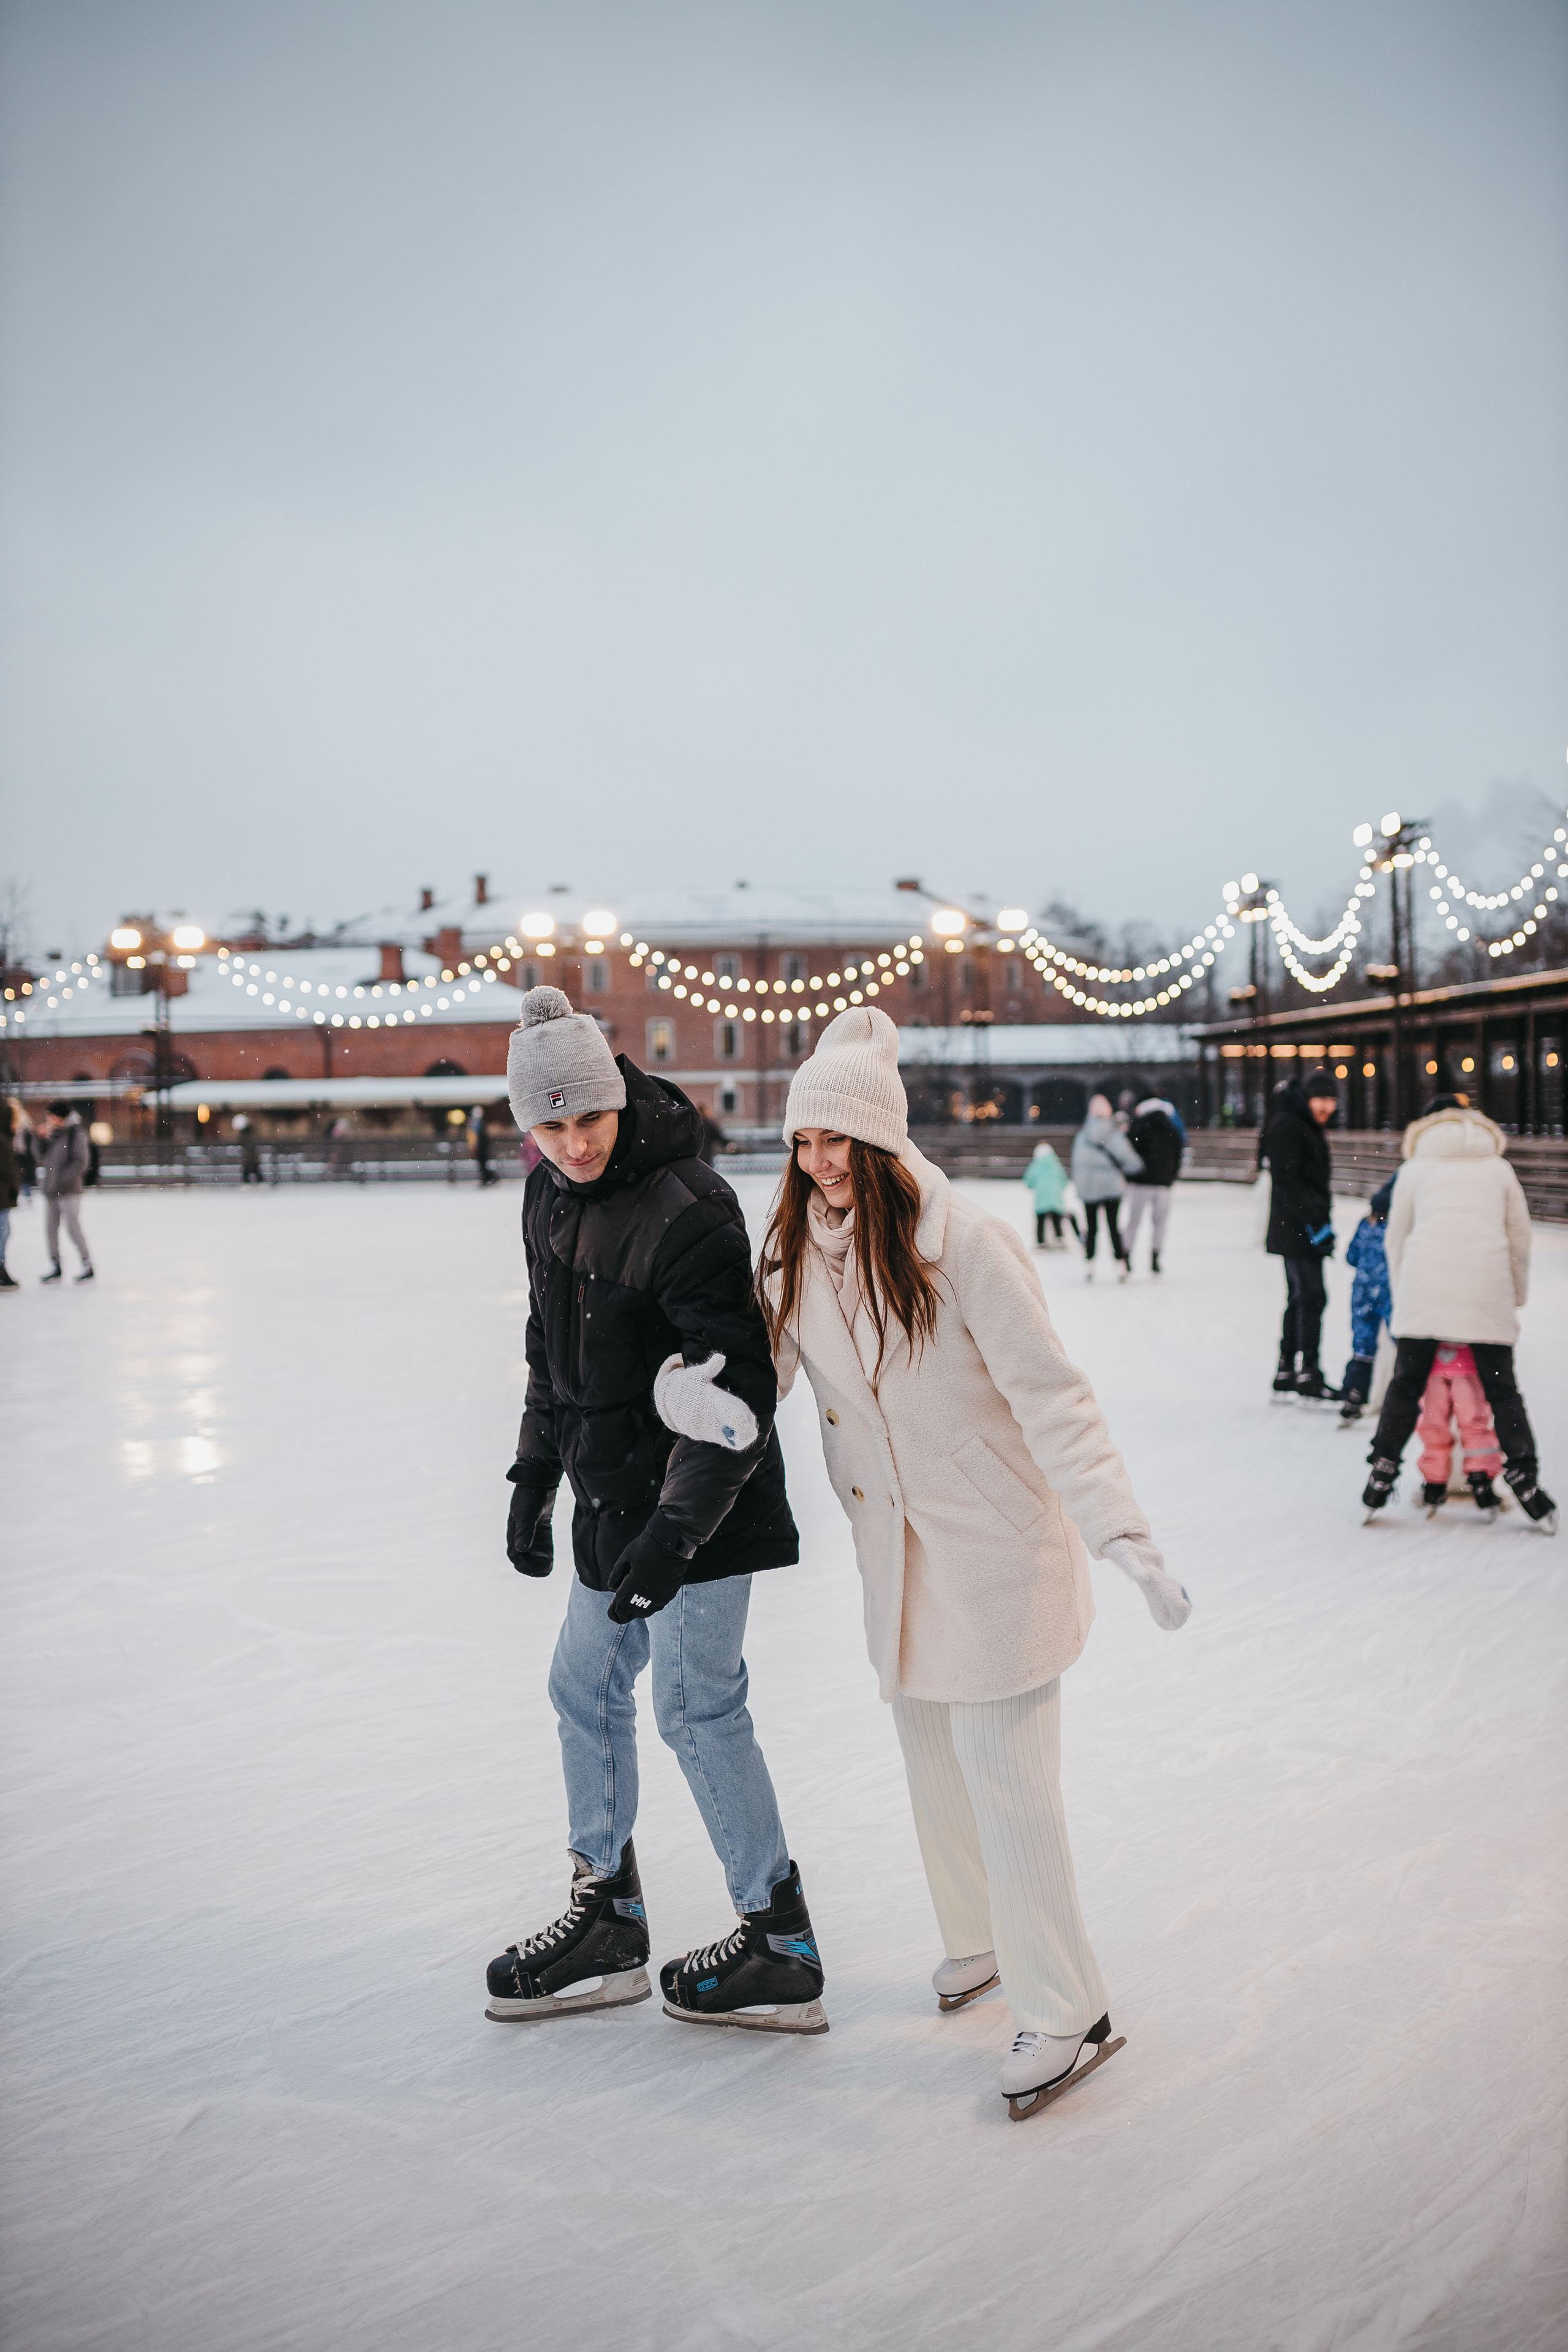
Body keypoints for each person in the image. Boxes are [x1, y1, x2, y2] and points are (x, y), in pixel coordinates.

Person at [761, 1009, 1191, 2117]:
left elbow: (1054, 1399)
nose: (819, 1164)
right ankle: (981, 1942)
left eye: (839, 1143)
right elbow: (759, 1380)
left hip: (997, 1556)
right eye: (804, 1143)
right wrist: (698, 1403)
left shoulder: (970, 1246)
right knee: (933, 1761)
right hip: (895, 1558)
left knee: (1008, 1781)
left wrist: (1122, 1532)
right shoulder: (795, 1255)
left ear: (885, 1145)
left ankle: (1070, 2006)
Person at [487, 986, 826, 2034]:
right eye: (551, 1125)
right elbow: (551, 1349)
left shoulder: (689, 1206)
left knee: (695, 1707)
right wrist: (533, 1473)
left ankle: (780, 1940)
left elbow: (737, 1396)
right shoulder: (547, 1197)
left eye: (589, 1117)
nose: (576, 1143)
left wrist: (677, 1535)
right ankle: (610, 1917)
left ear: (617, 1100)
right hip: (610, 1495)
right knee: (581, 1685)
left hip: (702, 1508)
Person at [1362, 1097, 1556, 1529]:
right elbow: (1520, 1239)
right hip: (1486, 1290)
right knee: (1503, 1392)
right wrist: (1515, 1295)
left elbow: (1397, 1239)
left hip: (1424, 1290)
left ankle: (1383, 1468)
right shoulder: (1498, 1168)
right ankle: (1524, 1475)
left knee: (1406, 1385)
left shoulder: (1414, 1169)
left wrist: (1405, 1297)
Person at [1259, 1070, 1340, 1403]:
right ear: (1307, 1099)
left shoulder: (1302, 1123)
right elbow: (1288, 1182)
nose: (1327, 1107)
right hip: (1297, 1227)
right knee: (1312, 1296)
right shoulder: (1289, 1125)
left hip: (1298, 1225)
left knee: (1300, 1297)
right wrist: (1315, 1223)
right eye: (1321, 1099)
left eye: (1331, 1100)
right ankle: (1308, 1371)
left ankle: (1287, 1369)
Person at [1414, 1345, 1503, 1517]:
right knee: (1475, 1425)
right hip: (1467, 1363)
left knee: (1433, 1426)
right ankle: (1481, 1480)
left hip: (1433, 1364)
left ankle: (1434, 1483)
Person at [1337, 1178, 1394, 1423]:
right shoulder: (1396, 1227)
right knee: (1399, 1342)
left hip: (1362, 1294)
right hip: (1390, 1293)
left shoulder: (1365, 1224)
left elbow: (1351, 1256)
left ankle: (1354, 1394)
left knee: (1363, 1347)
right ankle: (1406, 1396)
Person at [1070, 1095, 1142, 1279]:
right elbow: (1129, 1158)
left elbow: (1077, 1164)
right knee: (1113, 1226)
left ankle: (1089, 1265)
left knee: (1091, 1228)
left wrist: (1080, 1186)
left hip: (1089, 1187)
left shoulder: (1083, 1136)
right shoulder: (1114, 1134)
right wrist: (1138, 1168)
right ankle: (1120, 1265)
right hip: (1112, 1187)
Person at [1121, 1098, 1183, 1273]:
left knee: (1133, 1222)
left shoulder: (1140, 1127)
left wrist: (1131, 1175)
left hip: (1141, 1183)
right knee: (1160, 1223)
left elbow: (1129, 1154)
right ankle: (1156, 1256)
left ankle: (1126, 1255)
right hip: (1163, 1184)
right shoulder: (1172, 1129)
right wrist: (1170, 1177)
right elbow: (1179, 1155)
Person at [39, 1101, 93, 1284]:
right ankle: (56, 1265)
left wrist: (61, 1179)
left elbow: (81, 1162)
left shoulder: (76, 1133)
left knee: (73, 1227)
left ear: (59, 1116)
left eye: (50, 1115)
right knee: (51, 1229)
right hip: (52, 1190)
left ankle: (87, 1263)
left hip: (70, 1190)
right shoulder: (54, 1133)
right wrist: (40, 1139)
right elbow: (41, 1157)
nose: (48, 1119)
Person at [1022, 1139, 1076, 1248]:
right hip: (1055, 1198)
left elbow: (1029, 1182)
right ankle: (1059, 1238)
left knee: (1041, 1219)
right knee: (1057, 1218)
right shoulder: (1056, 1164)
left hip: (1041, 1198)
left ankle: (1041, 1241)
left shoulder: (1036, 1165)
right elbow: (1064, 1181)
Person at [0, 1102, 19, 1289]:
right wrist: (15, 1187)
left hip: (4, 1193)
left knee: (5, 1231)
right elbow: (9, 1170)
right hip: (3, 1194)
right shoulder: (4, 1139)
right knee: (3, 1232)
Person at [233, 1116, 263, 1184]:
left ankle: (250, 1183)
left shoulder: (245, 1137)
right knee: (254, 1170)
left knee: (250, 1170)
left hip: (249, 1157)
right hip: (251, 1157)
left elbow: (246, 1146)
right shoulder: (250, 1135)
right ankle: (258, 1182)